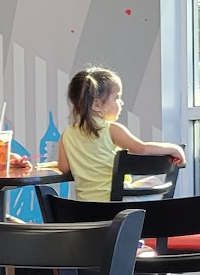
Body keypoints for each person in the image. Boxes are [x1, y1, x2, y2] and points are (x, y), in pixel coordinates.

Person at [56, 66, 184, 201]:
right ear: (97, 105)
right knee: (154, 182)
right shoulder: (110, 129)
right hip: (118, 203)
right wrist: (174, 149)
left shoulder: (66, 135)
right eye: (116, 98)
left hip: (86, 207)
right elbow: (141, 149)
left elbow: (64, 168)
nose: (121, 103)